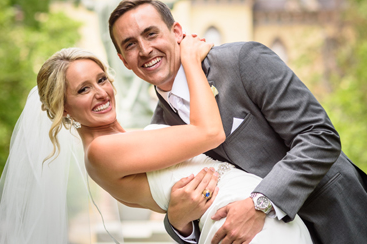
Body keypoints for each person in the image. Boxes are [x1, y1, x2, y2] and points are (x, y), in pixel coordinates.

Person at [108, 0, 367, 244]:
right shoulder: (159, 128)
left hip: (336, 219)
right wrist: (179, 222)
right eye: (130, 45)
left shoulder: (243, 61)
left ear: (176, 32)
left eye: (151, 34)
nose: (144, 50)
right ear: (123, 61)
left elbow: (319, 136)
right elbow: (195, 210)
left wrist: (260, 204)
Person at [32, 43, 312, 244]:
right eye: (83, 89)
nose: (101, 93)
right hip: (241, 230)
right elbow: (209, 132)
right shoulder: (101, 152)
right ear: (64, 108)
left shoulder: (129, 140)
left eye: (102, 79)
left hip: (263, 218)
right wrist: (190, 61)